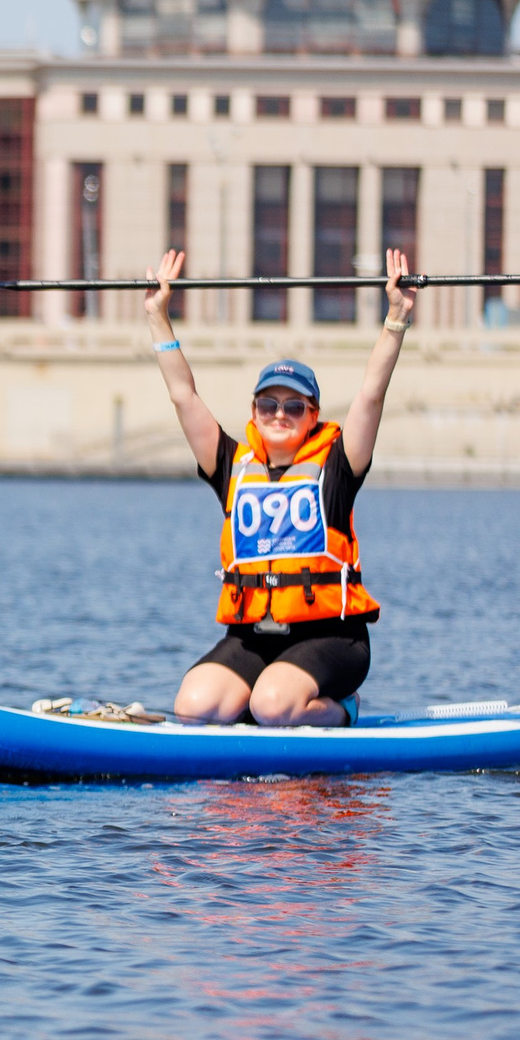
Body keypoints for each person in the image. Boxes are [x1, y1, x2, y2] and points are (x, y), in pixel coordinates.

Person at [142, 247, 420, 727]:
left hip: (332, 637)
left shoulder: (336, 467)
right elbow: (183, 394)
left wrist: (395, 316)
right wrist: (158, 317)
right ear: (253, 411)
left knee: (272, 705)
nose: (279, 414)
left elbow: (372, 393)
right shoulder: (232, 465)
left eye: (294, 407)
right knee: (194, 706)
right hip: (255, 634)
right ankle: (271, 703)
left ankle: (338, 710)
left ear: (313, 416)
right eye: (268, 404)